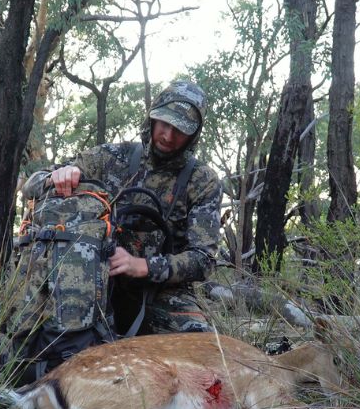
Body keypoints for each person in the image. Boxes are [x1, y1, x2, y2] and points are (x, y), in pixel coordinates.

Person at [22, 80, 222, 335]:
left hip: (162, 292)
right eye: (164, 124)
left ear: (194, 135)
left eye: (180, 130)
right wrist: (58, 176)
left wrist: (142, 266)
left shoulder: (203, 181)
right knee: (40, 337)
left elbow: (203, 260)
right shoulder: (110, 158)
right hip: (94, 281)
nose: (168, 136)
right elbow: (31, 186)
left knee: (201, 344)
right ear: (152, 118)